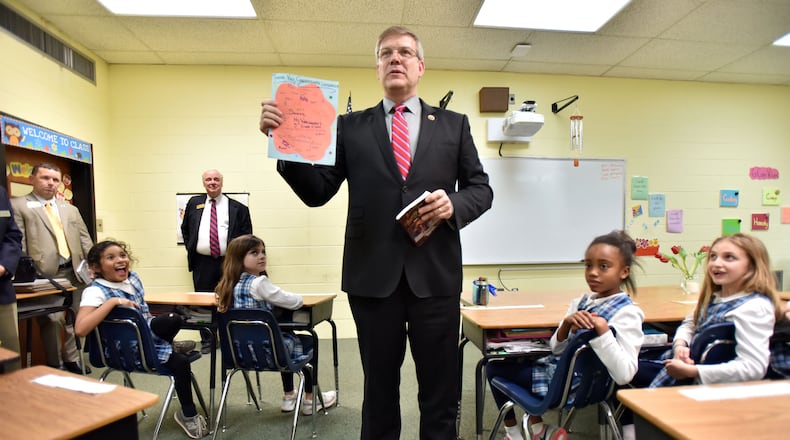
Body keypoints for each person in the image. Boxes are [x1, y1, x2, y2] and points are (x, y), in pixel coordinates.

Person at [259, 26, 493, 439]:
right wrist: (285, 148)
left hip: (435, 280)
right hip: (372, 280)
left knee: (440, 393)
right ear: (377, 66)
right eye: (386, 53)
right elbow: (318, 193)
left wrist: (453, 205)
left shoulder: (454, 126)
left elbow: (481, 189)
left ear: (421, 66)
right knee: (379, 391)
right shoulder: (350, 126)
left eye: (405, 52)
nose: (395, 59)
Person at [484, 231, 645, 440]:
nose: (593, 273)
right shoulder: (581, 302)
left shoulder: (628, 314)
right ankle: (539, 430)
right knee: (521, 360)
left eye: (603, 266)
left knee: (493, 367)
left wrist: (603, 332)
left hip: (563, 388)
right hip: (581, 386)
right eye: (588, 265)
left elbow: (625, 375)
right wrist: (566, 326)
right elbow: (556, 348)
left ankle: (514, 434)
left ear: (624, 272)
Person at [74, 240, 207, 439]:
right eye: (111, 258)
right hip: (125, 352)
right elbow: (81, 328)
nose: (120, 260)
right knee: (181, 363)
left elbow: (144, 313)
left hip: (146, 339)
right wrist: (112, 302)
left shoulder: (133, 279)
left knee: (173, 319)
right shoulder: (95, 291)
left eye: (122, 255)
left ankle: (168, 346)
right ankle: (188, 415)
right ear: (95, 267)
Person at [214, 234, 337, 415]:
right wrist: (299, 297)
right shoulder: (259, 283)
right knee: (308, 341)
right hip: (269, 353)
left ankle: (289, 396)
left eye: (263, 252)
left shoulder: (225, 287)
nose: (262, 256)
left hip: (240, 355)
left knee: (281, 339)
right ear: (239, 258)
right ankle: (310, 399)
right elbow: (293, 301)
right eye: (254, 253)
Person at [639, 233, 781, 388]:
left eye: (729, 257)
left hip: (703, 381)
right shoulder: (714, 297)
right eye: (713, 257)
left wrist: (693, 371)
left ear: (752, 266)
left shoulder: (753, 307)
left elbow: (752, 368)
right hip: (682, 363)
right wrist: (680, 345)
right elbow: (689, 324)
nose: (716, 263)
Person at [11, 162, 93, 374]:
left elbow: (85, 239)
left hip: (75, 272)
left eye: (55, 179)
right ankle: (56, 364)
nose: (51, 183)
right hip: (45, 275)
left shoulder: (70, 209)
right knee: (53, 320)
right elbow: (17, 243)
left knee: (79, 316)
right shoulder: (18, 205)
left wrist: (94, 265)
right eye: (45, 178)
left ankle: (73, 358)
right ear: (32, 179)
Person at [181, 169, 252, 353]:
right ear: (203, 183)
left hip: (228, 262)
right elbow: (186, 229)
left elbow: (247, 236)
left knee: (229, 298)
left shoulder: (238, 208)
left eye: (216, 179)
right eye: (208, 179)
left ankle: (230, 338)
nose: (212, 182)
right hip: (202, 262)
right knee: (203, 303)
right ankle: (208, 340)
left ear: (222, 182)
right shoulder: (194, 203)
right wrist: (192, 246)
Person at [0, 185, 23, 371]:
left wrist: (4, 265)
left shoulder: (0, 193)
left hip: (1, 288)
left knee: (10, 354)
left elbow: (13, 235)